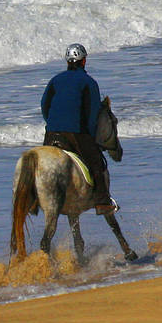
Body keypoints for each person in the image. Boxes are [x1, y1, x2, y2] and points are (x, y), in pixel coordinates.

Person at [40, 43, 116, 215]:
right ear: (83, 61)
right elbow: (93, 113)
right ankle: (103, 202)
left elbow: (44, 105)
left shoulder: (55, 80)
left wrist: (51, 124)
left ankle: (34, 198)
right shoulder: (88, 82)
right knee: (97, 162)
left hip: (51, 133)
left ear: (68, 61)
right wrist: (90, 135)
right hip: (75, 133)